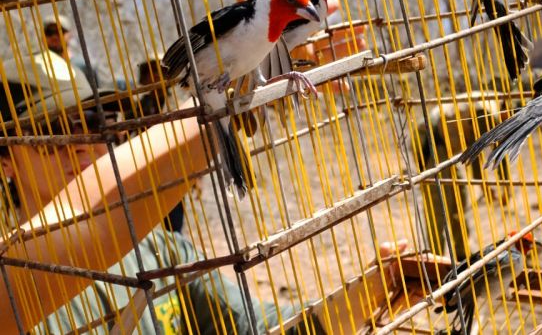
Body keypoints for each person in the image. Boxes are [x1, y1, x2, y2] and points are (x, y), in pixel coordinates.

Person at [0, 28, 325, 334]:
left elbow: (259, 325)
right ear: (6, 161)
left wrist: (372, 286)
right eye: (53, 129)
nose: (82, 141)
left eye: (95, 121)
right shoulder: (10, 278)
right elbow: (85, 217)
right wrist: (248, 74)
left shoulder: (161, 250)